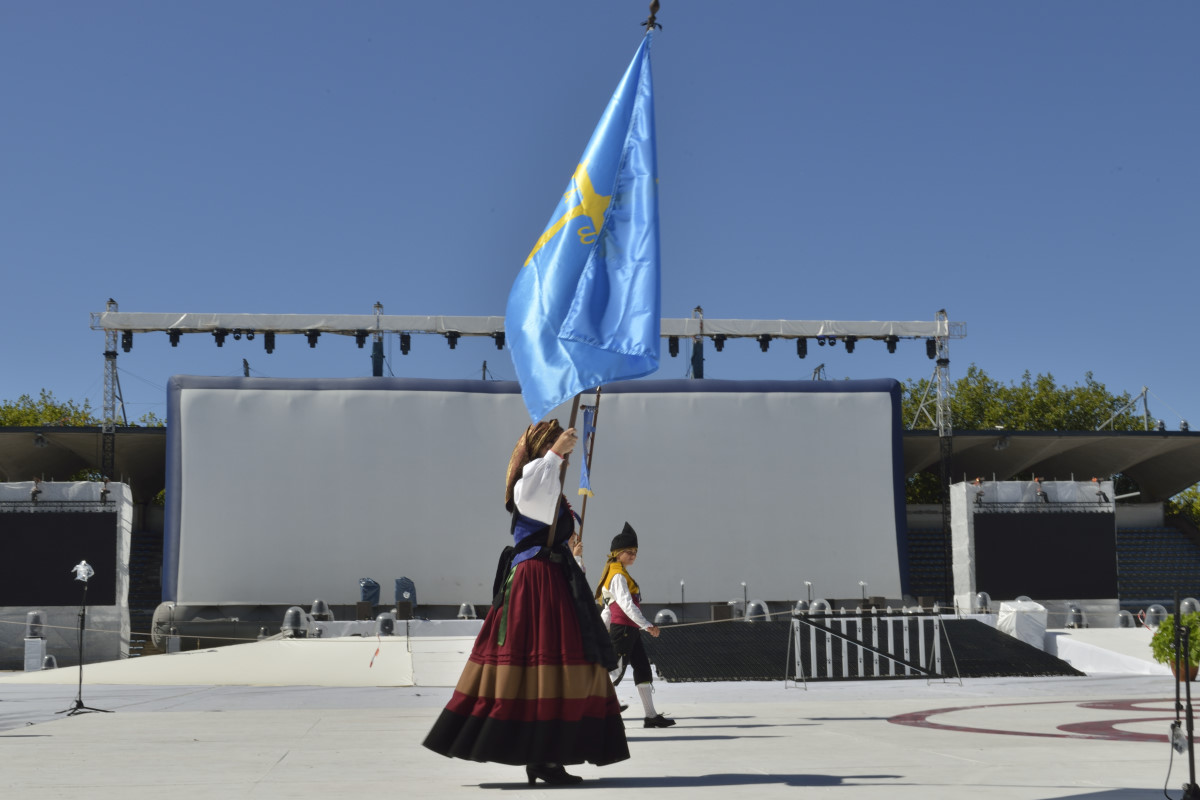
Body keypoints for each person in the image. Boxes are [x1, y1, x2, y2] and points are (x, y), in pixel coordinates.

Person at [423, 420, 628, 785]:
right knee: (543, 662)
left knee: (561, 663)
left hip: (553, 579)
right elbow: (536, 498)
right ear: (540, 449)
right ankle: (543, 758)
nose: (563, 450)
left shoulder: (549, 480)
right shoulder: (529, 479)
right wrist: (555, 454)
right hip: (536, 580)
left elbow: (550, 504)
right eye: (553, 443)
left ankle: (546, 756)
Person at [596, 522, 676, 728]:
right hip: (623, 630)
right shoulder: (617, 576)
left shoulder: (616, 573)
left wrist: (602, 628)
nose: (633, 556)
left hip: (629, 630)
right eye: (629, 552)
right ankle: (594, 712)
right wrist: (647, 625)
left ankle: (651, 716)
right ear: (617, 553)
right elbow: (626, 605)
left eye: (635, 552)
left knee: (642, 669)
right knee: (614, 672)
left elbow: (608, 608)